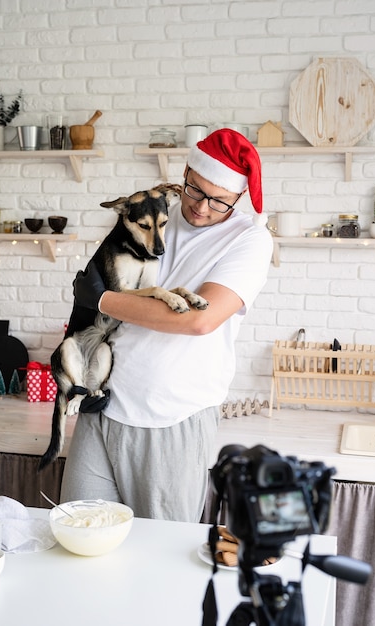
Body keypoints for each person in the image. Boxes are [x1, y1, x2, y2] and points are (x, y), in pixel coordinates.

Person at [60, 129, 273, 522]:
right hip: (101, 405)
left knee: (160, 553)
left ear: (238, 197)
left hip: (170, 419)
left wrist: (104, 301)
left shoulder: (249, 240)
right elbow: (107, 275)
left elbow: (198, 319)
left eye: (219, 200)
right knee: (78, 533)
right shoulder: (155, 216)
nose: (202, 207)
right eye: (195, 190)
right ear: (185, 173)